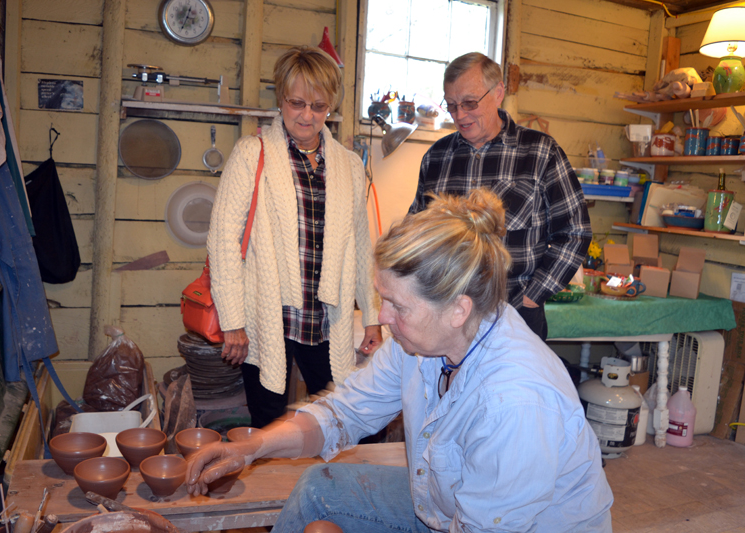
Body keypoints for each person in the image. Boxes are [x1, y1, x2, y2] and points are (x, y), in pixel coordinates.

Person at [188, 189, 613, 532]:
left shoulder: (515, 401)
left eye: (396, 306)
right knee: (319, 487)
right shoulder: (424, 342)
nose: (383, 319)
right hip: (446, 508)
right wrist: (251, 447)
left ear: (458, 309)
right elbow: (344, 411)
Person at [207, 46, 382, 428]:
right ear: (281, 98)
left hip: (326, 318)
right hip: (269, 314)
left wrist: (372, 316)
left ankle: (327, 487)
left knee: (341, 415)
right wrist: (232, 320)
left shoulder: (350, 167)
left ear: (331, 105)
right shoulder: (252, 154)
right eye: (297, 103)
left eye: (319, 106)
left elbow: (361, 245)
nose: (307, 115)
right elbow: (222, 241)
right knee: (268, 420)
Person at [409, 52, 592, 341]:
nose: (459, 115)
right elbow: (417, 233)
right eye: (452, 105)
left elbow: (575, 231)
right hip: (448, 317)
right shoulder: (437, 157)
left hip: (516, 316)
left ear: (498, 93)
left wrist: (533, 297)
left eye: (470, 103)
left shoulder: (540, 152)